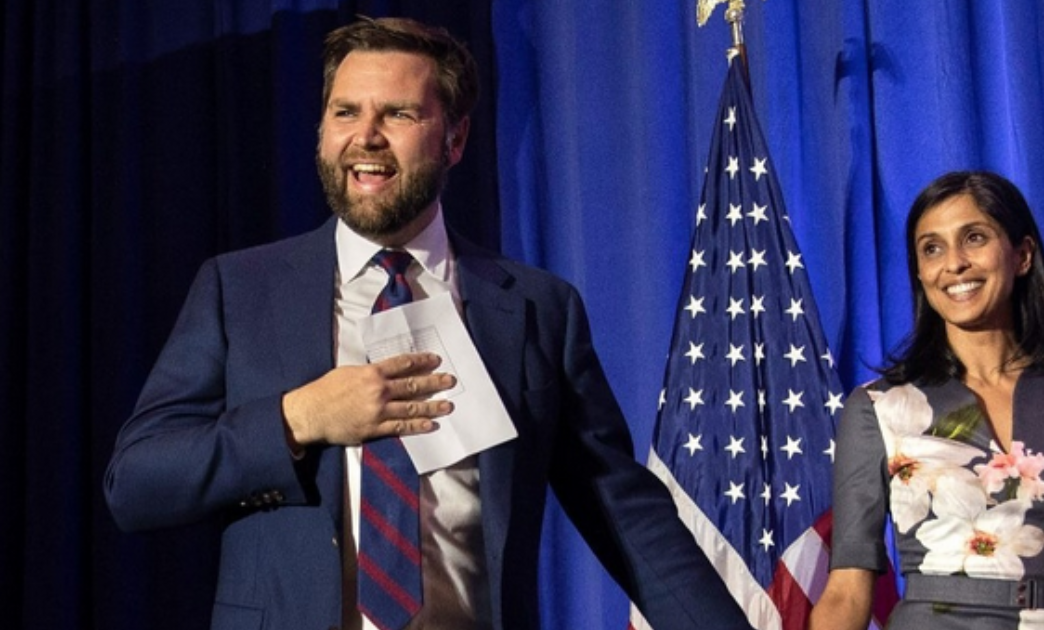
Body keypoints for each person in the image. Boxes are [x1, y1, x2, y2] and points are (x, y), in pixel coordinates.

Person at [105, 17, 753, 630]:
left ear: (456, 138)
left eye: (399, 113)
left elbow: (625, 514)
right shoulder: (239, 290)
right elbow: (137, 482)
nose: (366, 136)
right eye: (346, 112)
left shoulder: (536, 309)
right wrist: (297, 419)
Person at [809, 171, 1044, 630]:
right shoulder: (879, 408)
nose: (954, 264)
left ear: (1022, 255)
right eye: (932, 248)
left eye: (974, 238)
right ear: (920, 272)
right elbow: (846, 592)